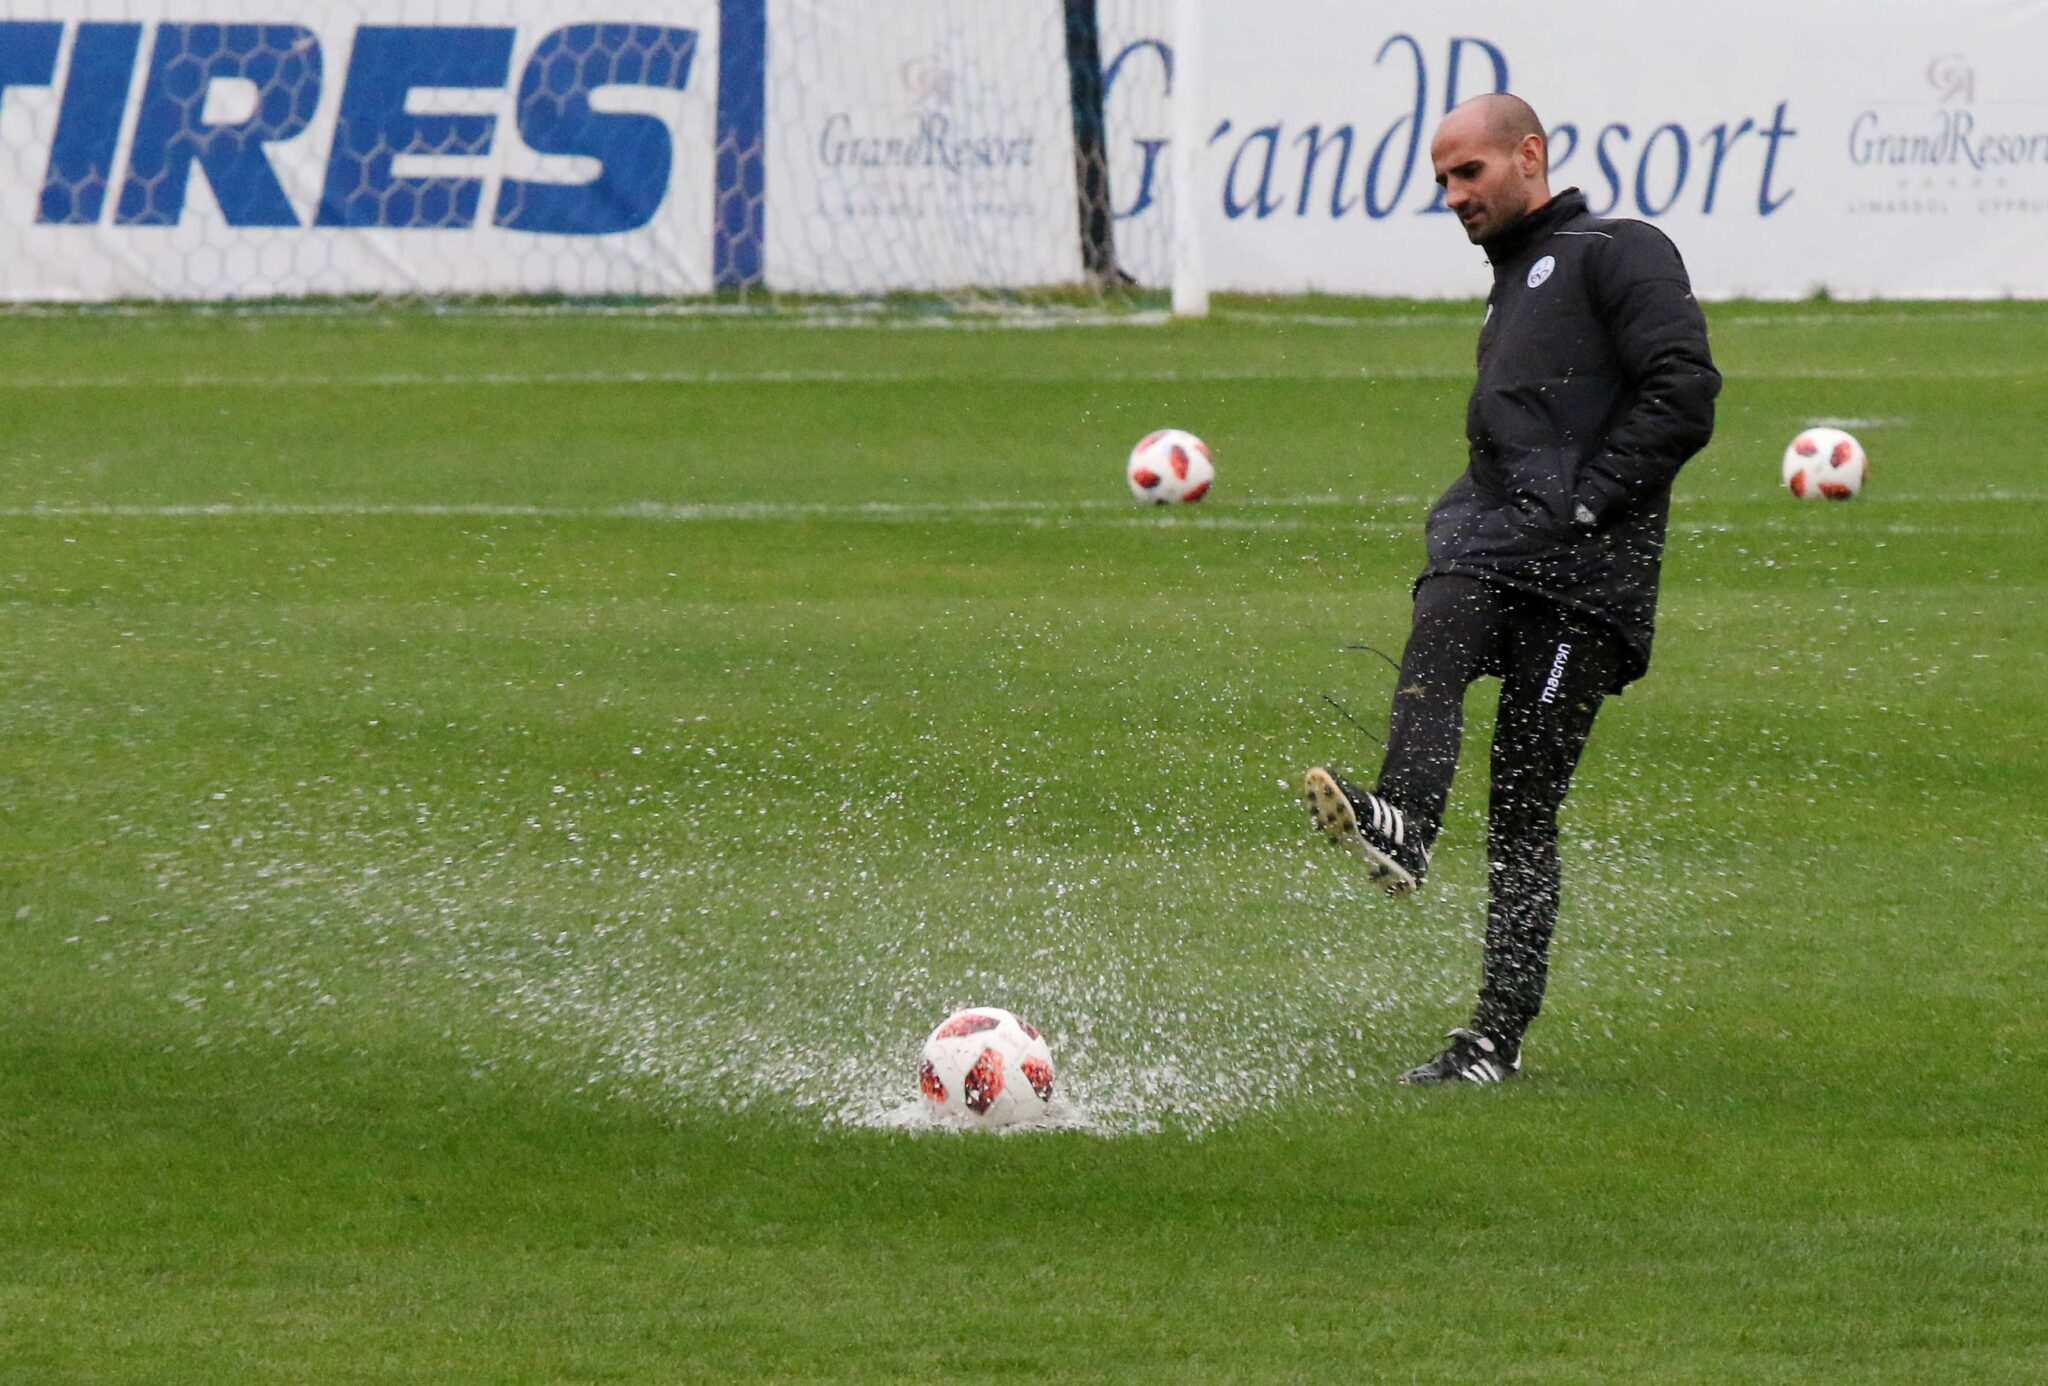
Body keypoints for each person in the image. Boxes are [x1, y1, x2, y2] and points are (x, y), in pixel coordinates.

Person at [1303, 92, 1721, 1084]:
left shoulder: (1617, 247)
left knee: (1522, 805)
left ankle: (1493, 1039)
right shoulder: (1509, 284)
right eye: (1441, 179)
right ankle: (1401, 818)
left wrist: (1589, 504)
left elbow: (1684, 389)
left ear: (1527, 156)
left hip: (1588, 585)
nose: (1451, 194)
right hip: (1499, 547)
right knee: (1439, 610)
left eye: (1467, 172)